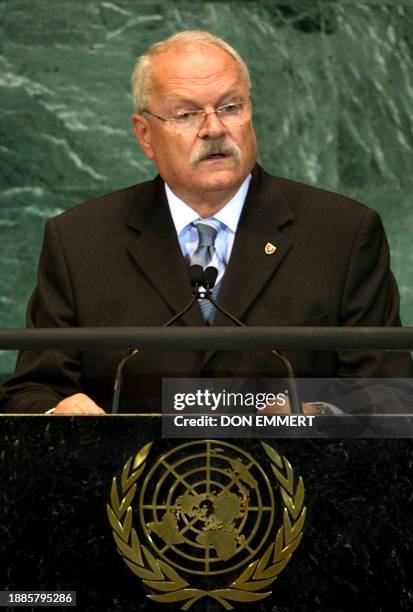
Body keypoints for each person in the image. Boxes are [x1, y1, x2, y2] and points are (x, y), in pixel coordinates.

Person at [1, 31, 412, 415]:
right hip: (128, 487)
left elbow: (388, 390)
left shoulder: (342, 233)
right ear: (145, 135)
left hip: (296, 485)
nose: (214, 128)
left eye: (230, 107)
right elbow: (32, 390)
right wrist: (58, 414)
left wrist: (318, 415)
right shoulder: (79, 242)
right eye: (186, 114)